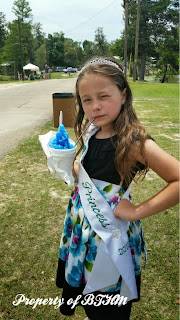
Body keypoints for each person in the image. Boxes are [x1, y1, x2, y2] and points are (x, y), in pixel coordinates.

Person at [56, 57, 179, 320]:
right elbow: (91, 174)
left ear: (123, 94)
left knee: (109, 305)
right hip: (83, 235)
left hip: (110, 241)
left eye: (103, 96)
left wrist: (135, 212)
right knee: (93, 303)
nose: (95, 106)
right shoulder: (91, 129)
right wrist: (70, 166)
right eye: (86, 99)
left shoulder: (133, 140)